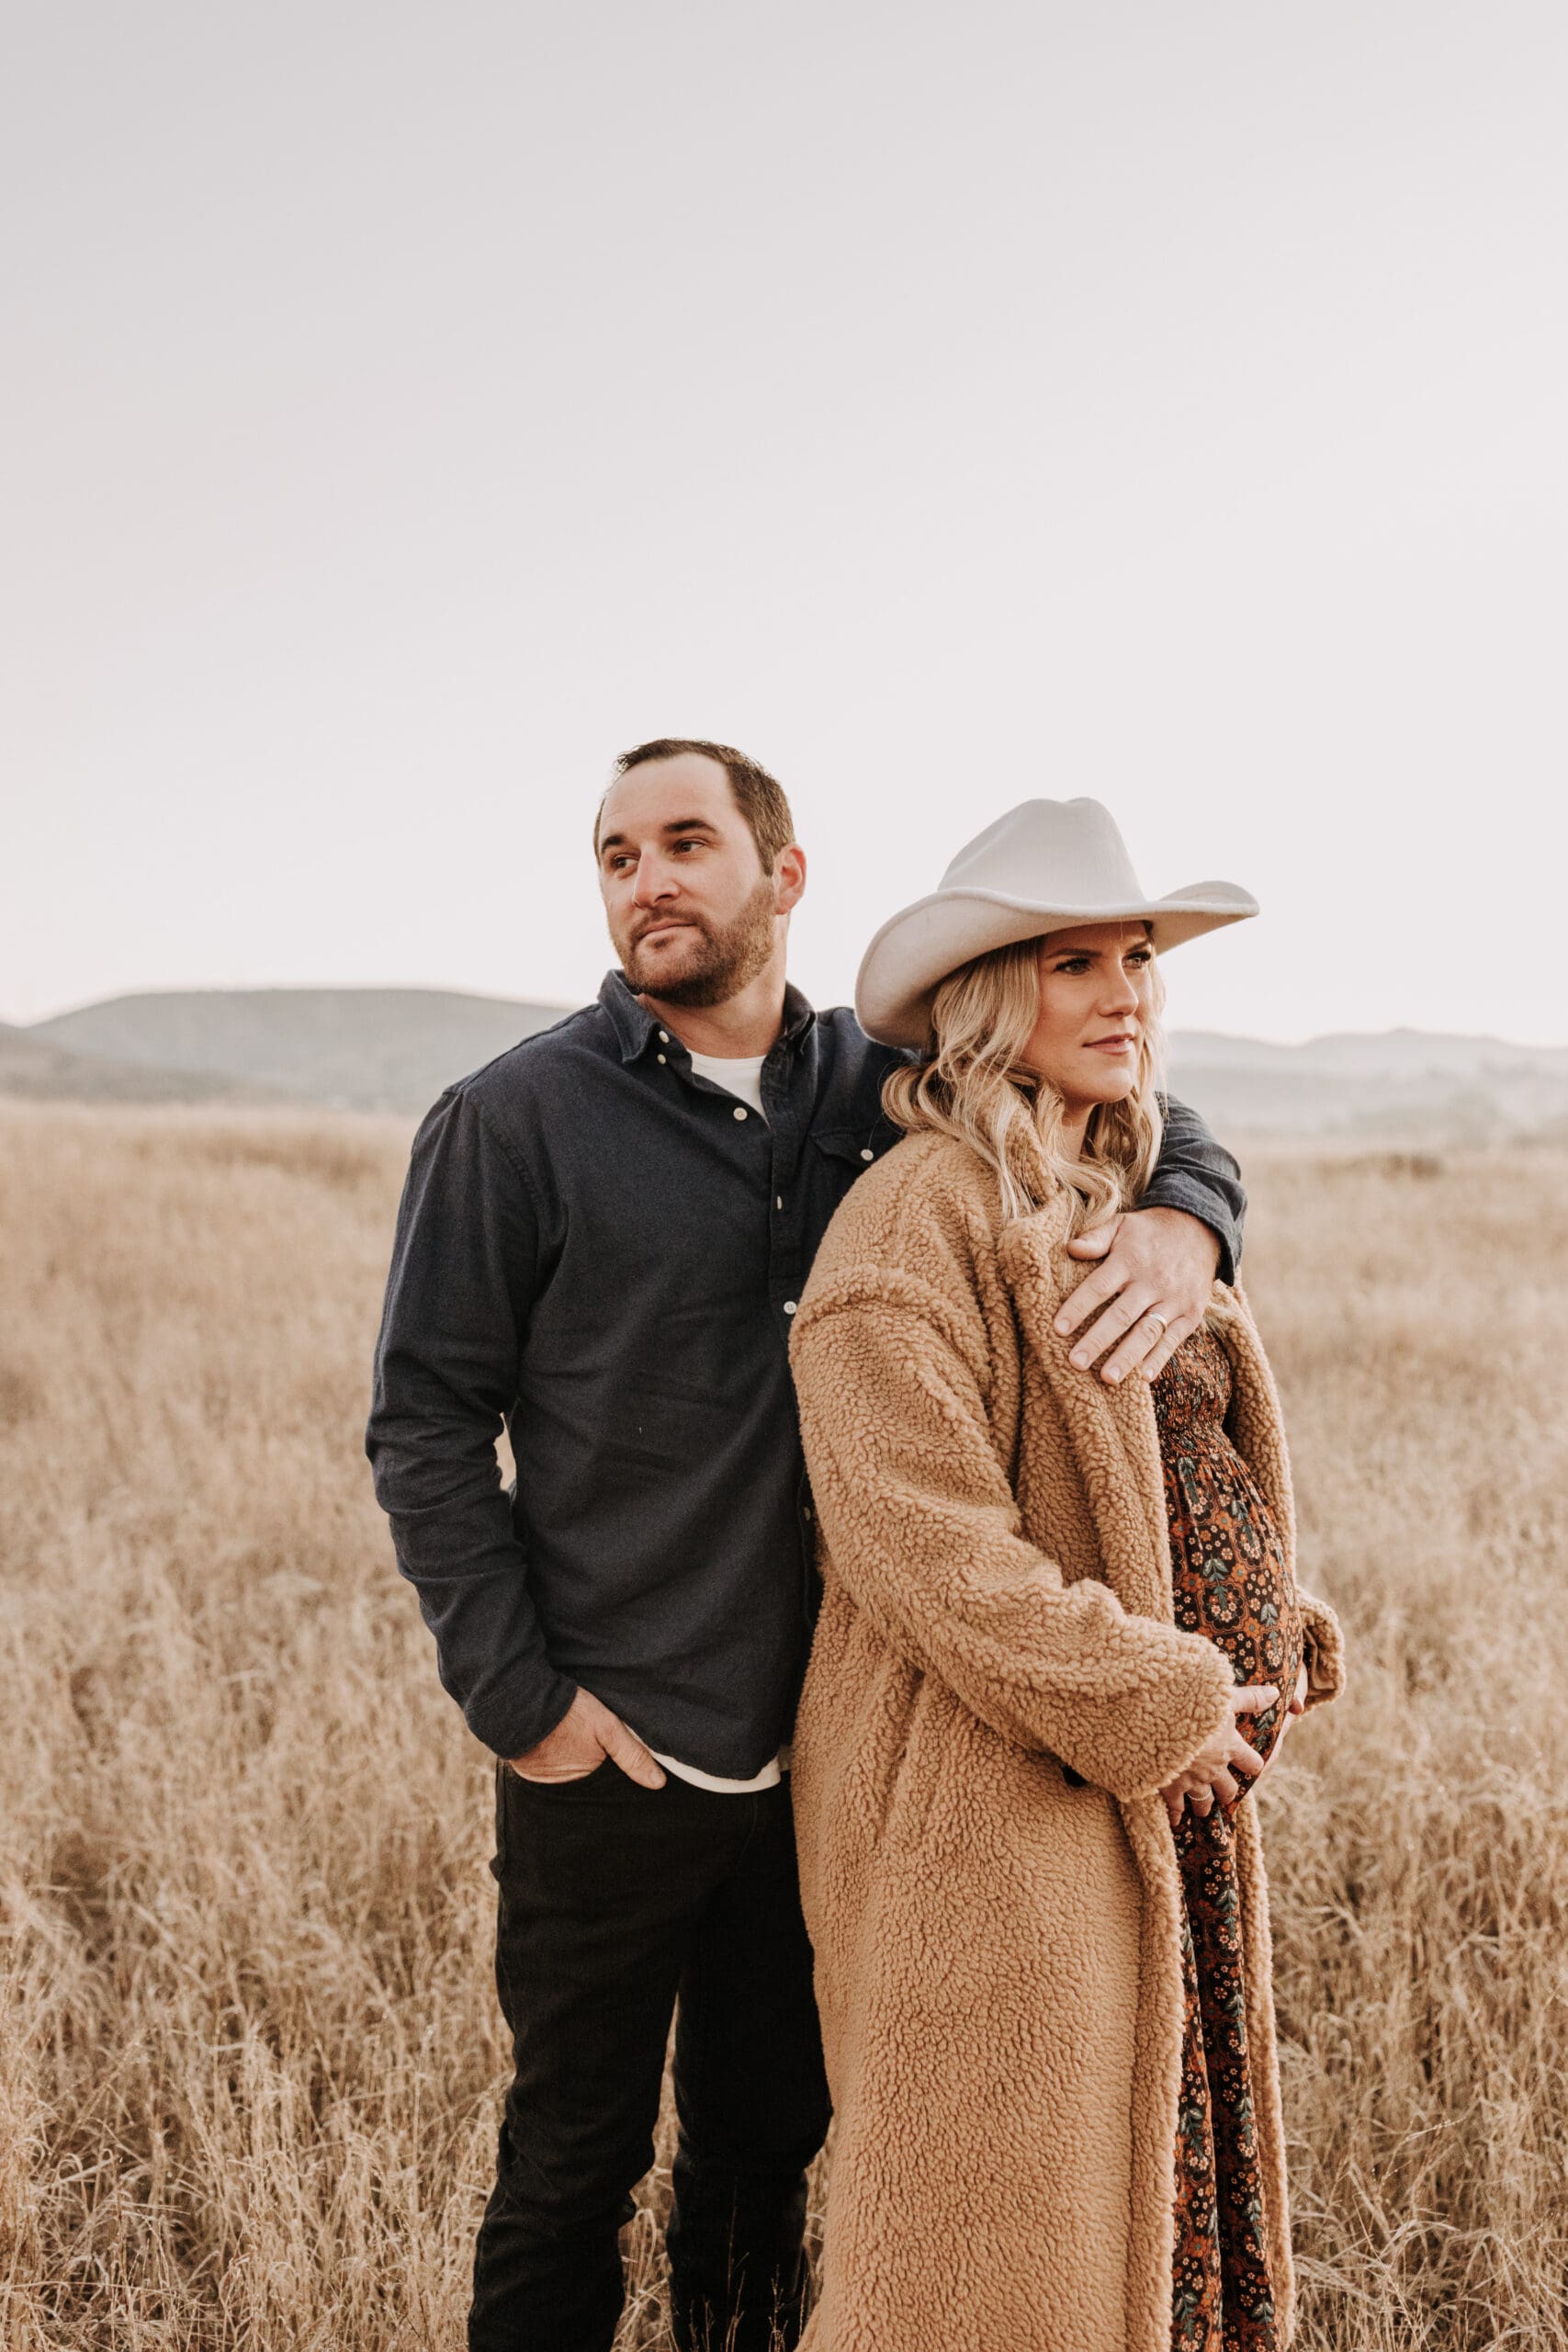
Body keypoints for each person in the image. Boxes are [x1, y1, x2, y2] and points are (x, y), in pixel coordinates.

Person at [365, 745, 1253, 2352]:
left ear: (782, 874)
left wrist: (1193, 1215)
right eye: (618, 854)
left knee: (769, 2157)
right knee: (571, 2161)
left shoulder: (875, 1095)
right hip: (618, 1743)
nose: (650, 881)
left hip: (835, 1754)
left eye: (688, 843)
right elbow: (424, 1423)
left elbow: (1134, 1108)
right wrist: (524, 1703)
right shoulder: (512, 1120)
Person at [787, 797, 1346, 2352]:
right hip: (995, 1812)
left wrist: (1259, 1622)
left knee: (1143, 2222)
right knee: (992, 2253)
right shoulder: (911, 1226)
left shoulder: (1114, 1188)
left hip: (1153, 1797)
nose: (1126, 995)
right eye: (1075, 964)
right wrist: (1161, 1694)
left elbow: (1142, 1470)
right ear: (986, 1000)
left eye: (1139, 961)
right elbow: (934, 1556)